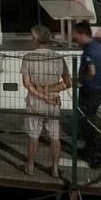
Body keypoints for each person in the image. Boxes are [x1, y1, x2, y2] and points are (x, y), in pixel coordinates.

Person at [20, 24, 71, 177]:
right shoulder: (58, 58)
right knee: (55, 137)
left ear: (35, 39)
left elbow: (27, 83)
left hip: (35, 102)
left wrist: (41, 93)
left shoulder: (29, 57)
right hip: (53, 101)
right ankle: (55, 168)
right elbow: (68, 82)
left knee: (33, 136)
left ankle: (30, 166)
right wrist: (50, 92)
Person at [72, 22, 101, 169]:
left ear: (82, 34)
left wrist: (79, 82)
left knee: (86, 123)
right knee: (89, 120)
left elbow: (91, 71)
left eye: (74, 34)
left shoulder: (89, 50)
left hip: (89, 90)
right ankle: (89, 149)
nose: (73, 37)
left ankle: (97, 155)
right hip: (98, 89)